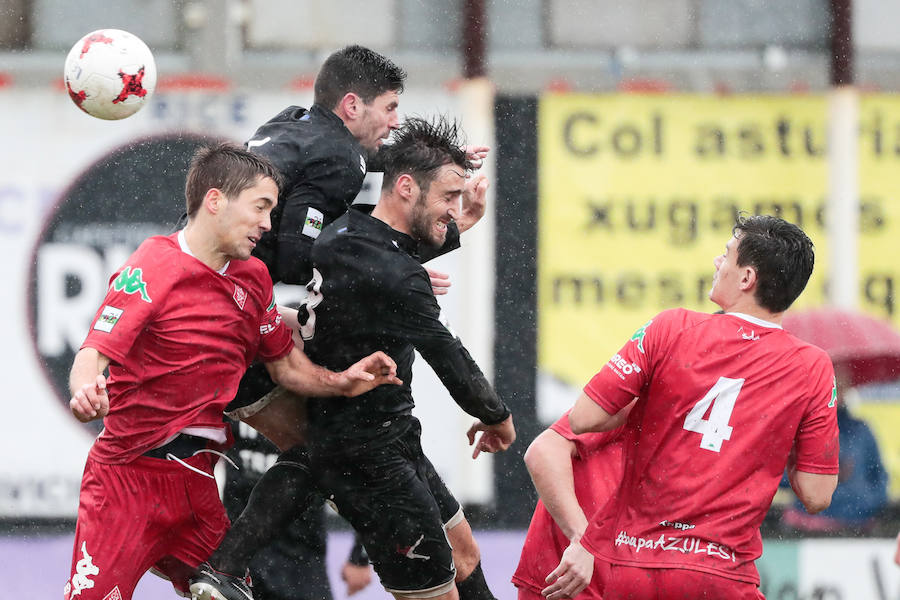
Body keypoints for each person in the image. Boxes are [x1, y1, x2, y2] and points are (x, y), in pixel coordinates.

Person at [191, 45, 491, 600]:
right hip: (235, 323)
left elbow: (328, 220)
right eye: (390, 107)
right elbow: (298, 252)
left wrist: (426, 178)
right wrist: (393, 270)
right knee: (336, 445)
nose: (395, 121)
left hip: (206, 308)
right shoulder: (341, 160)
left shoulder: (290, 125)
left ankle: (226, 567)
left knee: (325, 449)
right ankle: (235, 565)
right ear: (352, 105)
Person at [63, 143, 400, 600]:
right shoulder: (152, 265)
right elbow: (94, 353)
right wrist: (85, 392)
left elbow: (284, 366)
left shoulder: (253, 277)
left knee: (234, 594)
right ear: (216, 200)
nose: (267, 223)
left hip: (197, 484)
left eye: (272, 211)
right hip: (126, 482)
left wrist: (341, 382)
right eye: (260, 207)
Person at [543, 215, 840, 599]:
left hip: (632, 565)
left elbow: (584, 417)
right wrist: (772, 432)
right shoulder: (811, 366)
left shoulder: (671, 327)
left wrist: (659, 406)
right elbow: (817, 495)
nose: (718, 262)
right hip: (720, 574)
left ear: (747, 278)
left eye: (727, 255)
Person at [296, 115, 514, 600]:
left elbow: (391, 266)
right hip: (365, 456)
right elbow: (446, 354)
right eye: (448, 199)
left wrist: (458, 224)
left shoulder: (349, 236)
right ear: (406, 187)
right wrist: (497, 416)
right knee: (436, 591)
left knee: (464, 557)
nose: (455, 210)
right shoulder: (395, 271)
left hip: (392, 440)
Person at [222, 420, 374, 600]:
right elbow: (202, 447)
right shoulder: (237, 395)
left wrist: (360, 556)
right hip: (240, 551)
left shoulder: (317, 399)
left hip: (302, 556)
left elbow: (364, 472)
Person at [512, 410, 628, 600]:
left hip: (621, 576)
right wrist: (583, 540)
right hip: (571, 579)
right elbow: (544, 451)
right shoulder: (639, 400)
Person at [778, 365, 887, 535]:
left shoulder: (861, 429)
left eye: (841, 384)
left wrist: (869, 502)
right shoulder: (803, 429)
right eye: (832, 384)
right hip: (808, 528)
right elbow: (783, 479)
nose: (837, 391)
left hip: (857, 525)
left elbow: (879, 474)